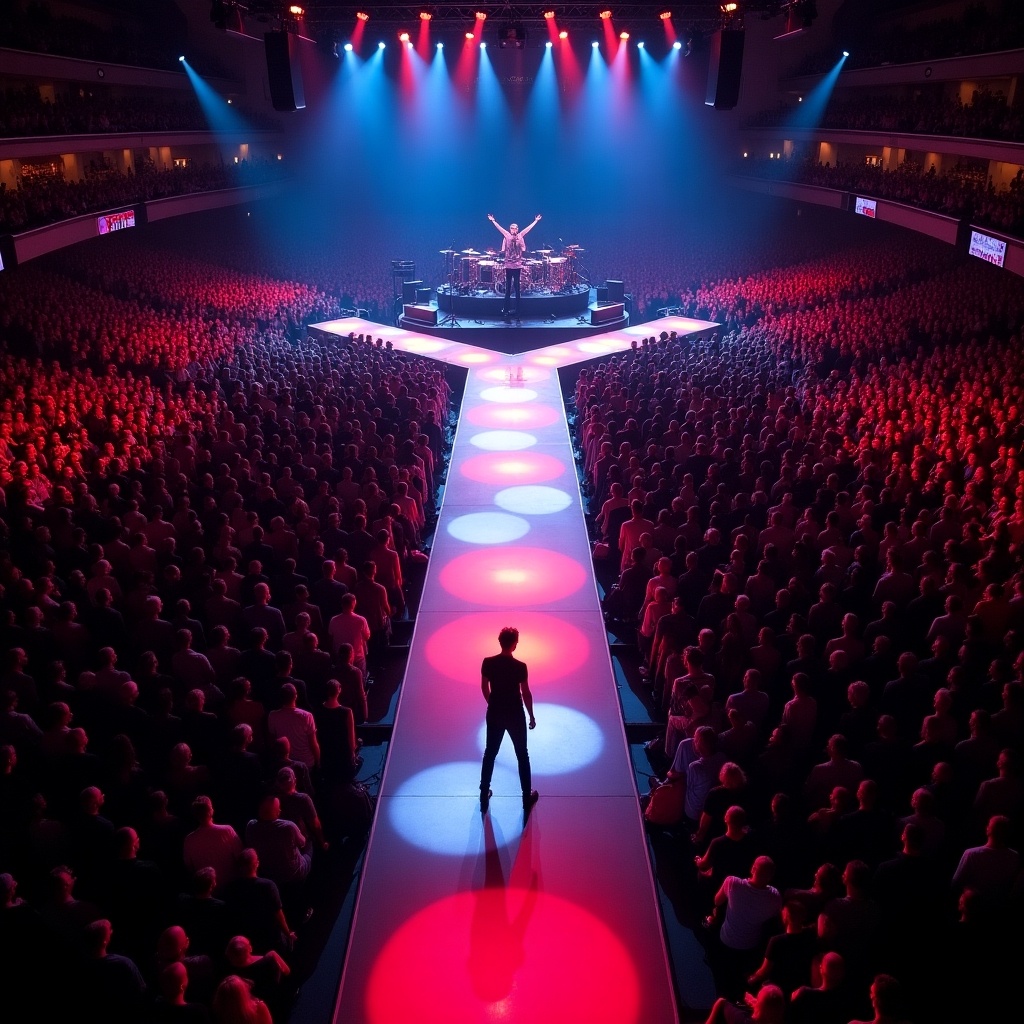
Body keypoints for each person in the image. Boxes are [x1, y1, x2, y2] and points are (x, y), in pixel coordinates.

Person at [479, 626, 538, 816]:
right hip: (515, 713)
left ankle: (483, 792)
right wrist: (531, 715)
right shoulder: (520, 667)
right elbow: (526, 693)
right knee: (522, 754)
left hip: (495, 711)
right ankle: (525, 797)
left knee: (490, 752)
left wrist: (493, 703)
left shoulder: (488, 662)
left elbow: (484, 687)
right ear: (514, 644)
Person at [487, 212, 542, 320]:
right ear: (510, 229)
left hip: (517, 266)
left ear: (517, 229)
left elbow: (527, 229)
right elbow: (500, 228)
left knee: (517, 289)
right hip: (508, 265)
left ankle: (518, 311)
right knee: (507, 289)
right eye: (512, 228)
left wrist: (536, 221)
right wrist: (493, 220)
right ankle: (506, 310)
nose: (514, 230)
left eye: (515, 228)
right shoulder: (506, 236)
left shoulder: (520, 236)